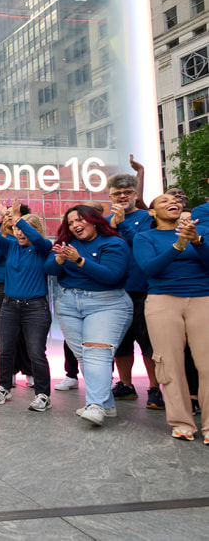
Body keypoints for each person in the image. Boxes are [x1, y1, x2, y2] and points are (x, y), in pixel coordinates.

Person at [45, 205, 132, 427]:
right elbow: (50, 269)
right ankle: (107, 404)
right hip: (68, 303)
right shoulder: (66, 243)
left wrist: (79, 260)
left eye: (80, 220)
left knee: (96, 355)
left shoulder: (113, 243)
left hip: (106, 303)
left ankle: (95, 405)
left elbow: (112, 275)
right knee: (85, 356)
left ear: (94, 220)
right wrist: (60, 260)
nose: (75, 225)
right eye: (71, 222)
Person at [133, 194, 209, 441]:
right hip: (162, 302)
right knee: (169, 364)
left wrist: (197, 242)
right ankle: (182, 423)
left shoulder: (201, 231)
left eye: (174, 199)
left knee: (207, 365)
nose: (171, 201)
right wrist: (178, 246)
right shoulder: (145, 237)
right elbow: (149, 269)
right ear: (152, 213)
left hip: (203, 299)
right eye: (163, 201)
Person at [0, 207, 52, 412]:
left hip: (35, 308)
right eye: (17, 229)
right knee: (5, 350)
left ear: (36, 231)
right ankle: (3, 387)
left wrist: (19, 221)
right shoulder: (11, 246)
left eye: (25, 229)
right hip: (9, 306)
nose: (21, 232)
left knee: (36, 352)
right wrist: (0, 218)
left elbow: (38, 239)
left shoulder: (43, 247)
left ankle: (43, 395)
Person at [106, 173, 162, 409]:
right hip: (116, 291)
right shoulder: (106, 223)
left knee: (149, 343)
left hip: (145, 290)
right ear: (110, 195)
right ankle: (126, 385)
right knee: (121, 343)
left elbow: (143, 245)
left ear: (135, 194)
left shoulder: (149, 218)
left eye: (127, 192)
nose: (122, 197)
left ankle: (154, 388)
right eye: (117, 193)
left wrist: (122, 224)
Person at [0, 203, 34, 390]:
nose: (7, 218)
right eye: (4, 215)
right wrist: (4, 235)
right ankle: (9, 372)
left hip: (23, 283)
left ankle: (30, 370)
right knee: (2, 331)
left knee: (26, 330)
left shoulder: (28, 233)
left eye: (11, 215)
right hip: (0, 284)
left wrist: (16, 232)